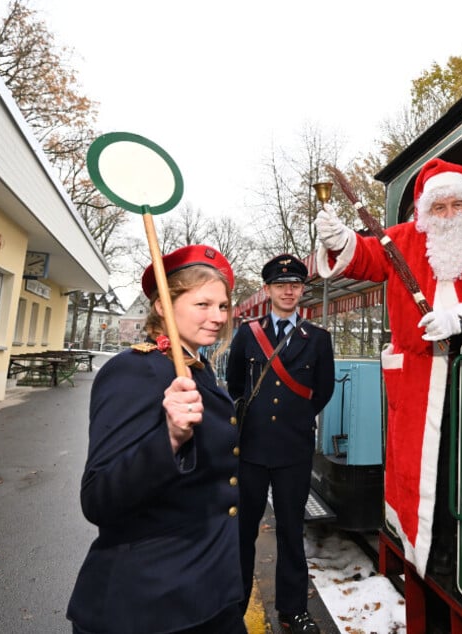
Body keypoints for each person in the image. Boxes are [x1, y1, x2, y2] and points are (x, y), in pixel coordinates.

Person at [314, 157, 462, 577]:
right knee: (416, 470)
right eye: (439, 207)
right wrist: (341, 239)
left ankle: (453, 549)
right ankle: (426, 552)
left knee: (458, 472)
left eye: (457, 206)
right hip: (416, 377)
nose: (448, 216)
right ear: (425, 212)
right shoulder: (402, 240)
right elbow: (367, 258)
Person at [67, 245, 244, 634]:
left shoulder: (197, 370)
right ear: (163, 305)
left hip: (208, 595)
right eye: (203, 304)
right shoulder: (133, 371)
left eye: (223, 305)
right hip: (150, 606)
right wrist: (170, 438)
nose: (217, 317)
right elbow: (98, 497)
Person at [226, 254, 335, 634]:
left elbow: (323, 390)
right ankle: (234, 605)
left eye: (295, 284)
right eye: (280, 285)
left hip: (293, 451)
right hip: (251, 451)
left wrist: (296, 419)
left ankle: (293, 611)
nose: (288, 290)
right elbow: (235, 382)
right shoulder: (247, 334)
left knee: (291, 531)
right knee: (242, 533)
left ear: (302, 291)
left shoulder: (318, 339)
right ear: (268, 290)